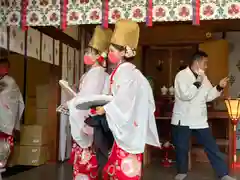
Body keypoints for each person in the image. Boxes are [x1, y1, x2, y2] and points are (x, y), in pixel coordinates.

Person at [95, 19, 161, 180]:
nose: (109, 54)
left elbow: (124, 101)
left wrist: (106, 108)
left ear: (124, 52)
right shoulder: (126, 72)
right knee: (119, 170)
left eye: (112, 50)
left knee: (124, 172)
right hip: (127, 129)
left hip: (128, 130)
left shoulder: (127, 73)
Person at [171, 51, 235, 180]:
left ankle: (223, 174)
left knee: (212, 147)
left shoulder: (203, 77)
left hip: (199, 119)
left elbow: (208, 96)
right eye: (205, 63)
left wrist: (219, 87)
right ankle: (182, 172)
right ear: (197, 62)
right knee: (182, 148)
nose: (206, 67)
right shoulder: (181, 76)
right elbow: (185, 95)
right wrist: (198, 81)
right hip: (183, 119)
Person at [67, 26, 112, 180]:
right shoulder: (97, 73)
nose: (85, 55)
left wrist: (73, 102)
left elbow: (87, 98)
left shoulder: (96, 74)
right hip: (92, 121)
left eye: (89, 53)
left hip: (88, 121)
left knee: (85, 164)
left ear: (98, 56)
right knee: (89, 162)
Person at [0, 57, 24, 168]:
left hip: (6, 120)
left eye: (3, 66)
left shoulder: (9, 81)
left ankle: (3, 164)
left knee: (5, 146)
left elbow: (12, 99)